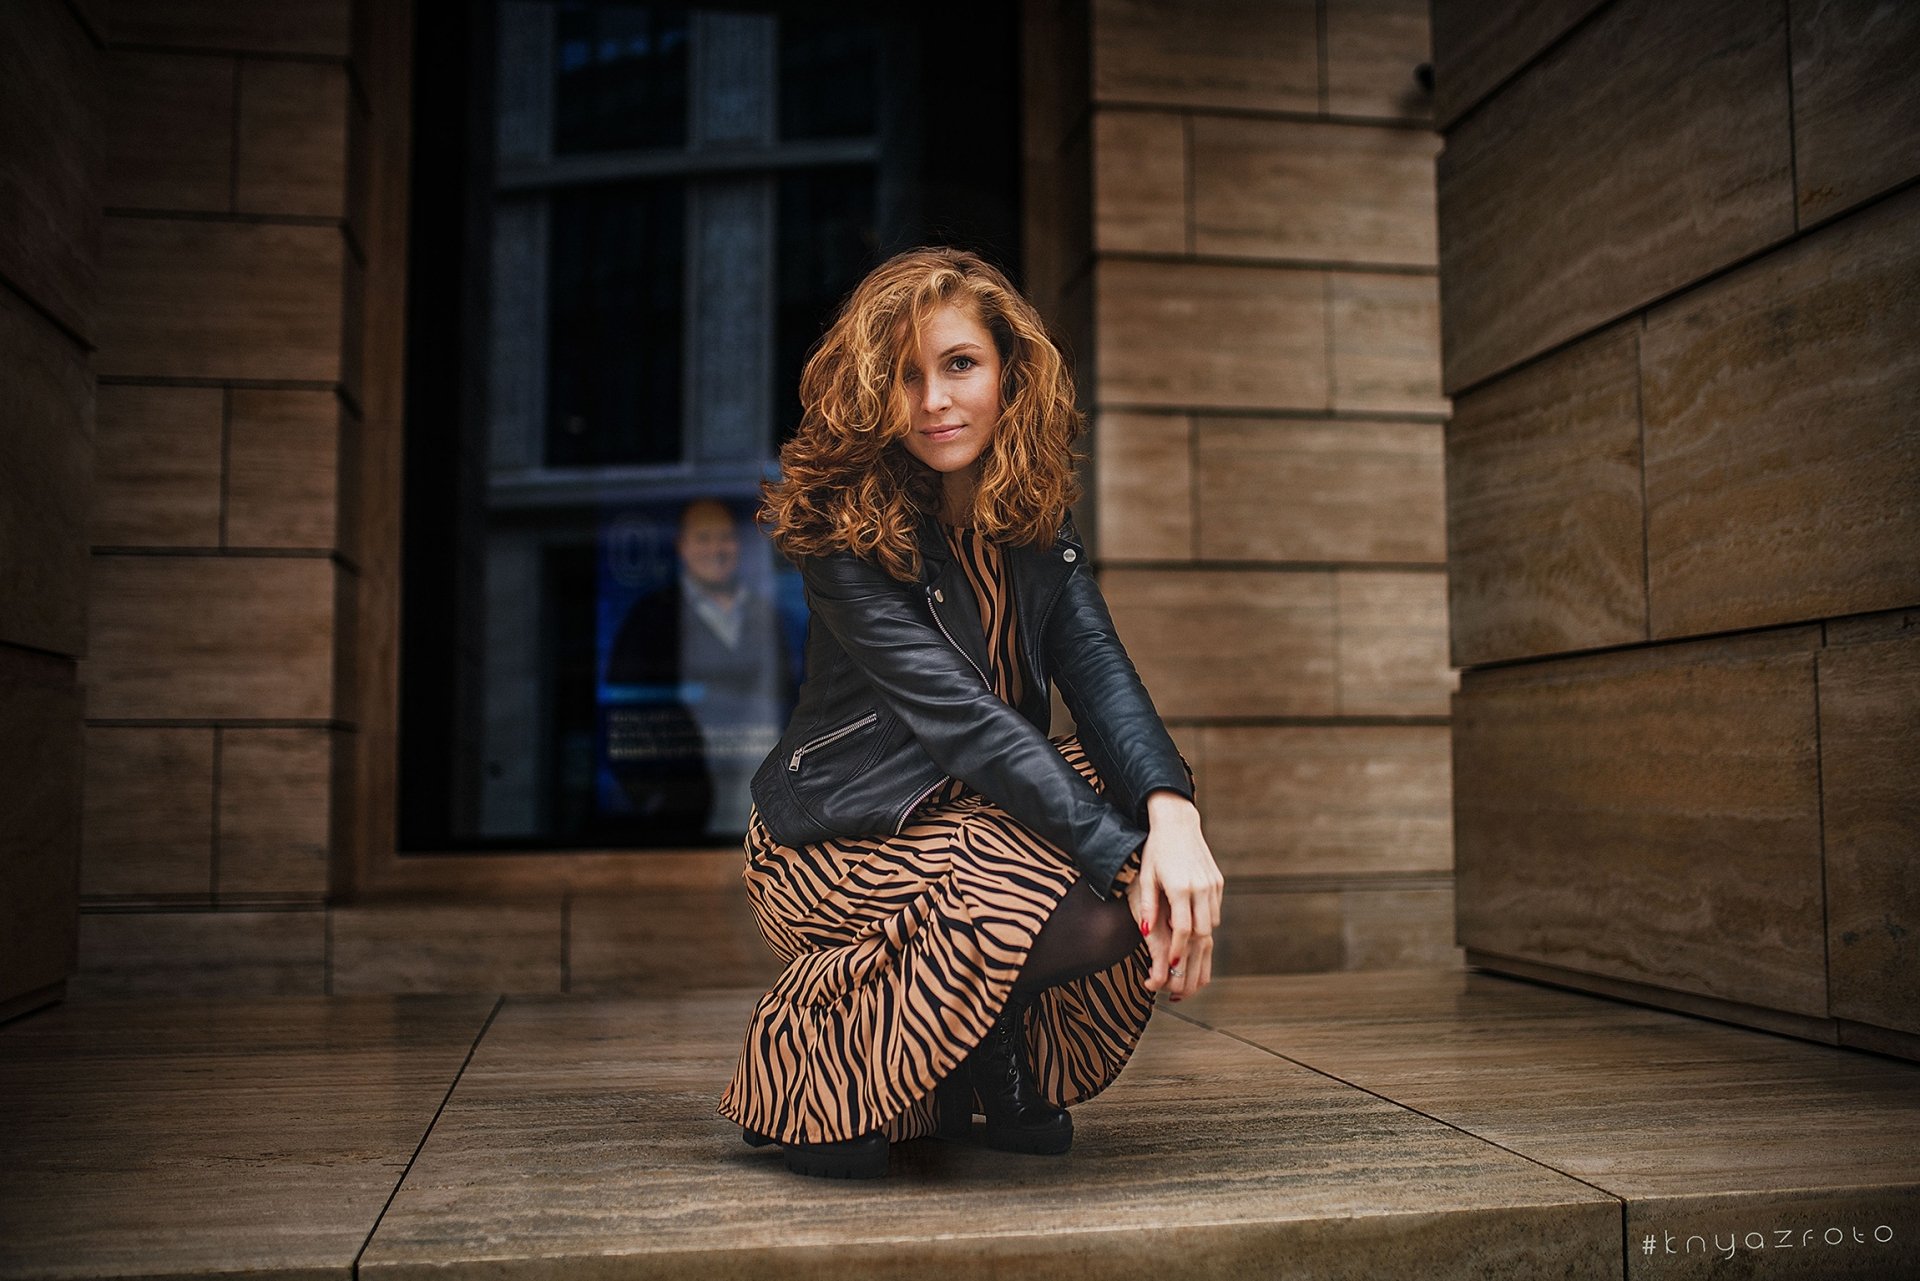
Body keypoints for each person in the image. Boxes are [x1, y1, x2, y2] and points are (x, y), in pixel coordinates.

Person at [718, 247, 1224, 1179]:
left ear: (1007, 374)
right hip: (831, 839)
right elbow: (965, 721)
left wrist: (1173, 817)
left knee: (1125, 792)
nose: (935, 401)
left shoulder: (1032, 525)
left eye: (960, 364)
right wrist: (1122, 858)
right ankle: (804, 1062)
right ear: (873, 389)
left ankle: (972, 1050)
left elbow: (1104, 681)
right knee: (1104, 875)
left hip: (974, 822)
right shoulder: (845, 534)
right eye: (906, 376)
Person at [604, 498, 794, 837]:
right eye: (703, 538)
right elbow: (624, 712)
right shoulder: (650, 617)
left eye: (725, 537)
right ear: (681, 546)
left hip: (763, 796)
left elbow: (790, 700)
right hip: (681, 811)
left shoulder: (767, 617)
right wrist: (652, 799)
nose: (716, 549)